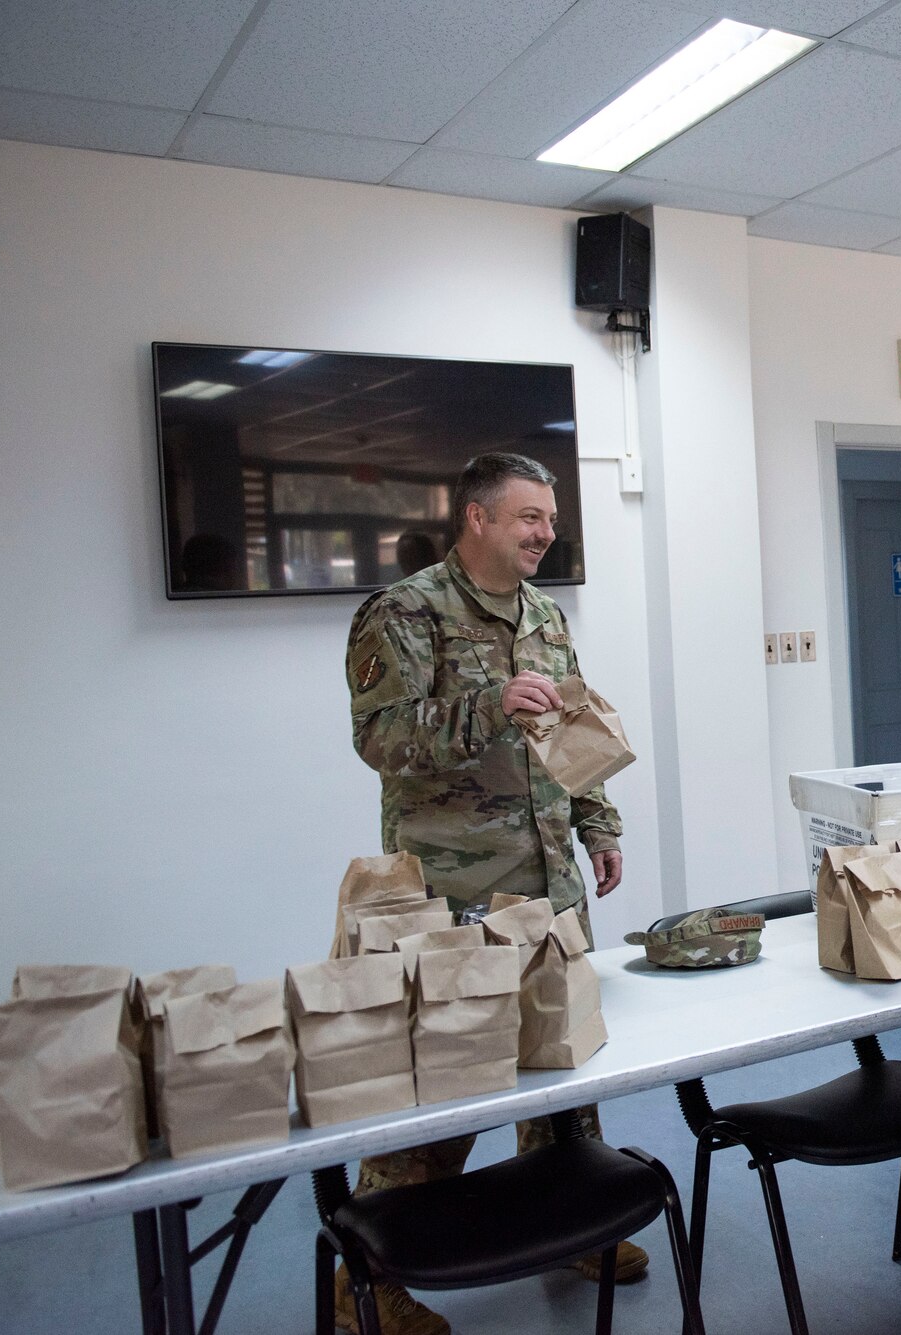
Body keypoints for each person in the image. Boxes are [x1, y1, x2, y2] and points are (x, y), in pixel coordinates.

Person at [340, 453, 635, 1335]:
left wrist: (599, 824)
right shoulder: (404, 611)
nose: (545, 533)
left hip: (548, 881)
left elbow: (571, 726)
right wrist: (485, 704)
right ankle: (368, 1278)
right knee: (446, 1083)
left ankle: (571, 1226)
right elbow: (379, 737)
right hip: (456, 894)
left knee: (563, 1067)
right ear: (476, 518)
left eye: (547, 518)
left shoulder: (544, 612)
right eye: (527, 518)